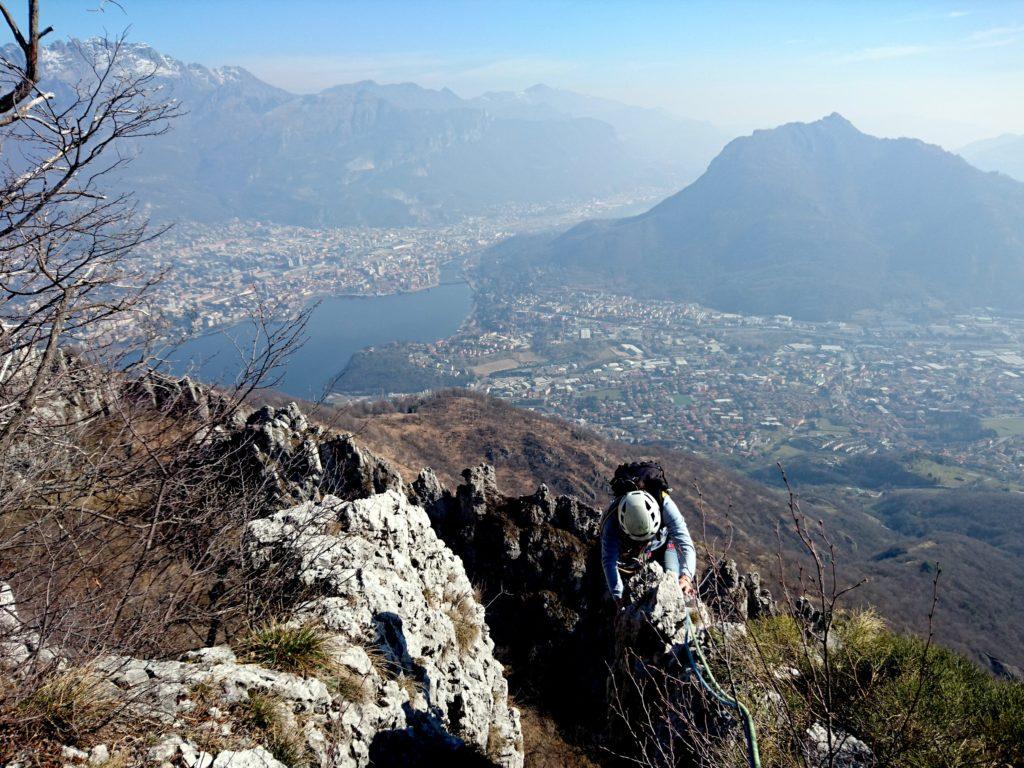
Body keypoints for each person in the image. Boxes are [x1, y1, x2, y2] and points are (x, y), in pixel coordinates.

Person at [602, 464, 697, 608]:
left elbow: (685, 543)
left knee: (673, 584)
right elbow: (609, 560)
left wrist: (685, 577)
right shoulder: (612, 519)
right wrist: (619, 598)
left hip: (663, 543)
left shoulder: (664, 504)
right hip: (629, 550)